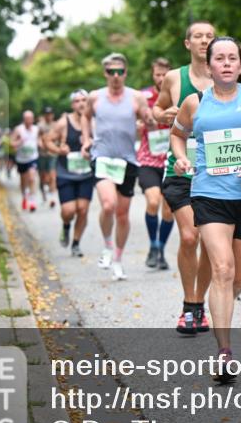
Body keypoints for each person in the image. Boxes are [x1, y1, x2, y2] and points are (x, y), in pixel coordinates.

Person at [170, 37, 241, 383]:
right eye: (218, 58)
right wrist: (180, 157)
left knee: (236, 279)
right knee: (221, 268)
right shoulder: (194, 102)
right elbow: (177, 134)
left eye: (231, 58)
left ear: (239, 65)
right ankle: (224, 352)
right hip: (209, 195)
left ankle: (222, 309)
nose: (225, 64)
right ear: (209, 67)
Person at [154, 21, 215, 336]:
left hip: (216, 171)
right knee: (190, 237)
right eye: (198, 36)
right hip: (181, 168)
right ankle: (189, 304)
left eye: (209, 36)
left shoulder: (227, 76)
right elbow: (158, 108)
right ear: (187, 43)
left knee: (210, 240)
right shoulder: (175, 78)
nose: (204, 40)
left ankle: (198, 302)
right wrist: (162, 115)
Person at [81, 53, 154, 281]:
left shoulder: (136, 97)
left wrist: (149, 121)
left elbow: (149, 121)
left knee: (122, 215)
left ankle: (118, 260)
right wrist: (86, 139)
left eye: (119, 71)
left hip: (127, 161)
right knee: (108, 204)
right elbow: (85, 117)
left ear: (125, 73)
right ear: (105, 73)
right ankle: (107, 245)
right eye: (111, 71)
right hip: (102, 157)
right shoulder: (95, 97)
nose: (115, 76)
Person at [47, 90, 96, 257]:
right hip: (66, 173)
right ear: (72, 105)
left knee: (82, 209)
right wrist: (59, 150)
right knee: (68, 211)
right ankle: (66, 225)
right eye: (77, 101)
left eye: (84, 100)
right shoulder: (63, 122)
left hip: (86, 174)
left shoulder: (94, 122)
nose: (81, 104)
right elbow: (47, 140)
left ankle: (76, 243)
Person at [137, 58, 176, 271]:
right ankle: (152, 244)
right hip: (148, 159)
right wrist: (139, 125)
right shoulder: (143, 97)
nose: (161, 78)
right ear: (152, 75)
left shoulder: (177, 95)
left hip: (172, 160)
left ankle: (160, 248)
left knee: (168, 210)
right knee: (153, 202)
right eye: (157, 74)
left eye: (164, 74)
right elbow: (132, 122)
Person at [11, 111, 41, 211]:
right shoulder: (19, 129)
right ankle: (24, 196)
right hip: (21, 159)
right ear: (23, 119)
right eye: (27, 118)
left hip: (33, 157)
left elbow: (39, 140)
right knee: (23, 181)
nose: (29, 120)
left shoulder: (36, 129)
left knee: (32, 178)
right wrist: (19, 142)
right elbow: (12, 143)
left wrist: (41, 144)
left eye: (30, 118)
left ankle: (32, 201)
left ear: (33, 119)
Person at [37, 106, 58, 208]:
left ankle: (52, 197)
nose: (48, 116)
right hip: (42, 154)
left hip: (52, 153)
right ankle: (43, 193)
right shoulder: (40, 126)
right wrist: (40, 143)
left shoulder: (56, 125)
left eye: (50, 114)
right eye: (47, 114)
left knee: (52, 175)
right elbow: (38, 137)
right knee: (43, 176)